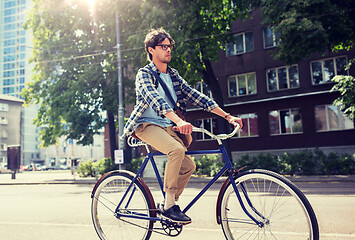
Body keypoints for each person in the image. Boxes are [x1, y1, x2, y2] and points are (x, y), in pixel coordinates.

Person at [122, 28, 243, 223]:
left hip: (166, 126)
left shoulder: (173, 75)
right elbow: (154, 100)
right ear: (151, 50)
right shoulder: (144, 74)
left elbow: (198, 97)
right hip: (146, 125)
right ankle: (170, 206)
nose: (168, 50)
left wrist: (228, 116)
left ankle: (168, 204)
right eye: (163, 46)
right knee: (177, 151)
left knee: (188, 166)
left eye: (170, 46)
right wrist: (178, 120)